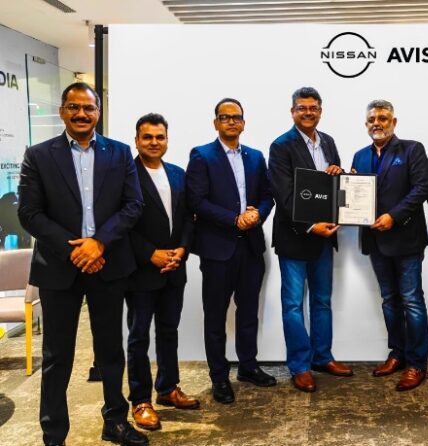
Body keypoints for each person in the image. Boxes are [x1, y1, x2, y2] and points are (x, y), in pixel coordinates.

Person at [18, 82, 148, 446]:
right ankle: (54, 435)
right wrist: (74, 249)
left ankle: (115, 422)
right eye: (73, 107)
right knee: (56, 356)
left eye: (88, 108)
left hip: (108, 264)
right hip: (59, 267)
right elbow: (29, 213)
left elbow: (133, 205)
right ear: (62, 111)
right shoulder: (39, 155)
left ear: (98, 112)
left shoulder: (119, 153)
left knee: (110, 352)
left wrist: (99, 243)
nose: (81, 114)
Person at [186, 98, 276, 404]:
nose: (231, 121)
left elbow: (268, 195)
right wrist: (234, 219)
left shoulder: (255, 156)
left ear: (243, 123)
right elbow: (196, 201)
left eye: (236, 117)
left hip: (250, 247)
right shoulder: (202, 155)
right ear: (216, 123)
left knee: (248, 312)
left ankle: (248, 366)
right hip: (217, 249)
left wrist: (258, 214)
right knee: (215, 316)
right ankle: (219, 376)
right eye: (225, 117)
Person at [267, 87, 353, 393]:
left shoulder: (328, 141)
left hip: (324, 238)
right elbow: (283, 195)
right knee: (293, 305)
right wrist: (310, 225)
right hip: (295, 237)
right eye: (302, 108)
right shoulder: (281, 146)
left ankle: (322, 357)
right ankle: (300, 366)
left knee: (322, 301)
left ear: (320, 111)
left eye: (313, 108)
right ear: (292, 112)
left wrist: (339, 174)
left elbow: (332, 189)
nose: (308, 112)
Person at [350, 99, 428, 391]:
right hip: (375, 240)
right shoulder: (359, 156)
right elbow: (354, 195)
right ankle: (397, 353)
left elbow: (421, 188)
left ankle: (417, 364)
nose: (377, 123)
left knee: (411, 301)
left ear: (394, 122)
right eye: (372, 119)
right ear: (366, 124)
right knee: (389, 300)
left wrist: (393, 216)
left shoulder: (412, 149)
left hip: (406, 239)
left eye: (383, 118)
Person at [126, 113, 198, 431]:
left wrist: (182, 250)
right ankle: (141, 401)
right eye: (147, 137)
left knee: (169, 331)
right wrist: (149, 254)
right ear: (137, 140)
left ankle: (168, 388)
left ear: (167, 140)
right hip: (141, 271)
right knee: (139, 336)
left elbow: (188, 218)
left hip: (174, 268)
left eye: (160, 137)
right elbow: (120, 223)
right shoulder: (125, 175)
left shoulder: (178, 174)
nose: (154, 142)